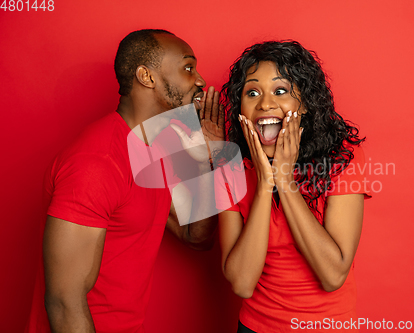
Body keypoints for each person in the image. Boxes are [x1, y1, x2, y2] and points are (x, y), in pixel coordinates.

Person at [25, 29, 224, 332]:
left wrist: (209, 164)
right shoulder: (97, 164)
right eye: (188, 67)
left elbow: (196, 237)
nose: (199, 80)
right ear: (146, 76)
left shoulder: (159, 148)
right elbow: (64, 303)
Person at [215, 41, 371, 332]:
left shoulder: (342, 158)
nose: (265, 103)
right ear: (241, 109)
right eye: (252, 92)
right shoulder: (229, 166)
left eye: (280, 90)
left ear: (306, 102)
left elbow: (333, 275)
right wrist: (264, 185)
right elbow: (242, 283)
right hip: (254, 326)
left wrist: (284, 180)